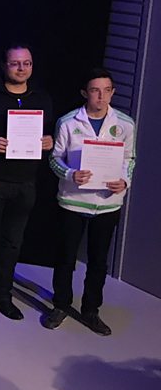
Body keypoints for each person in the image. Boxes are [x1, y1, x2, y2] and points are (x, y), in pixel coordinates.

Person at [0, 45, 55, 323]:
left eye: (27, 63)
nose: (21, 68)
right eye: (15, 63)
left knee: (12, 244)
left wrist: (49, 142)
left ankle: (3, 295)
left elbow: (48, 136)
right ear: (4, 65)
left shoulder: (42, 98)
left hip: (26, 182)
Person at [46, 68, 135, 335]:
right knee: (65, 257)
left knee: (98, 261)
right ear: (85, 93)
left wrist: (124, 181)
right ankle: (60, 304)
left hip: (107, 203)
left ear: (113, 92)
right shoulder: (68, 122)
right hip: (73, 201)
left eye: (107, 90)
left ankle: (91, 310)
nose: (101, 96)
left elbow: (129, 159)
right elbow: (55, 158)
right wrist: (71, 174)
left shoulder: (125, 124)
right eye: (95, 90)